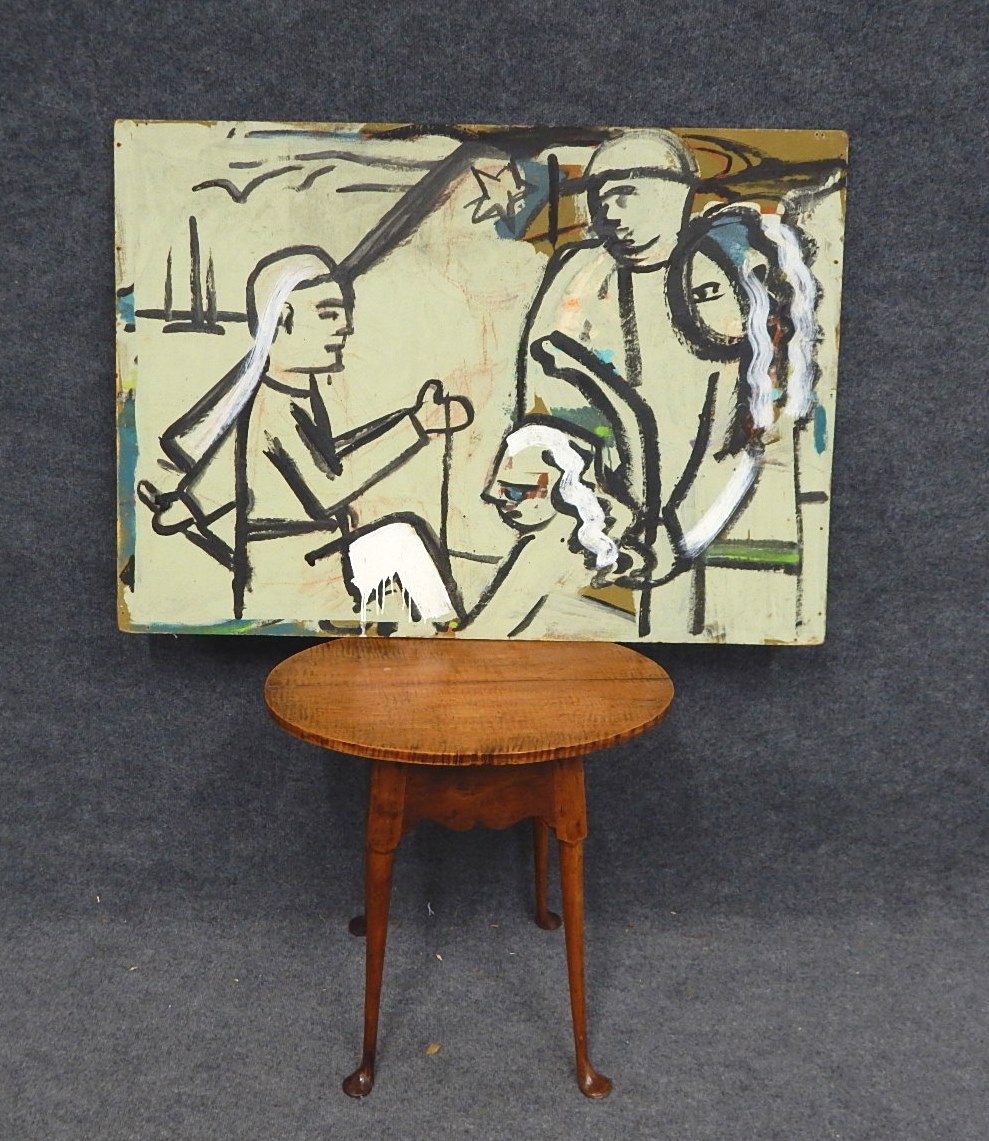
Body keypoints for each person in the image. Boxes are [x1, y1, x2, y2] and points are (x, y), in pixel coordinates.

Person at [517, 130, 819, 639]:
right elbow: (545, 400)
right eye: (599, 197)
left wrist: (674, 534)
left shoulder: (725, 276)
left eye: (625, 194)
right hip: (616, 518)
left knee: (719, 624)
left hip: (716, 509)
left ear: (676, 193)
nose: (608, 212)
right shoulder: (578, 274)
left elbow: (738, 430)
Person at [139, 245, 472, 621]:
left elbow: (262, 462)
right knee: (403, 540)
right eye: (329, 313)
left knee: (402, 547)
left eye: (345, 312)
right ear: (283, 319)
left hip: (314, 562)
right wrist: (417, 426)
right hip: (292, 578)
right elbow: (325, 490)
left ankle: (446, 628)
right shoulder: (274, 405)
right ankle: (449, 630)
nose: (346, 325)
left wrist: (188, 504)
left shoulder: (291, 395)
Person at [316, 418, 644, 639]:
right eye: (498, 487)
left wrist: (430, 630)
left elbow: (487, 631)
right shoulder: (550, 539)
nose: (497, 498)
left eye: (516, 490)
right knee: (401, 535)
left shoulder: (550, 550)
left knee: (399, 537)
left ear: (566, 489)